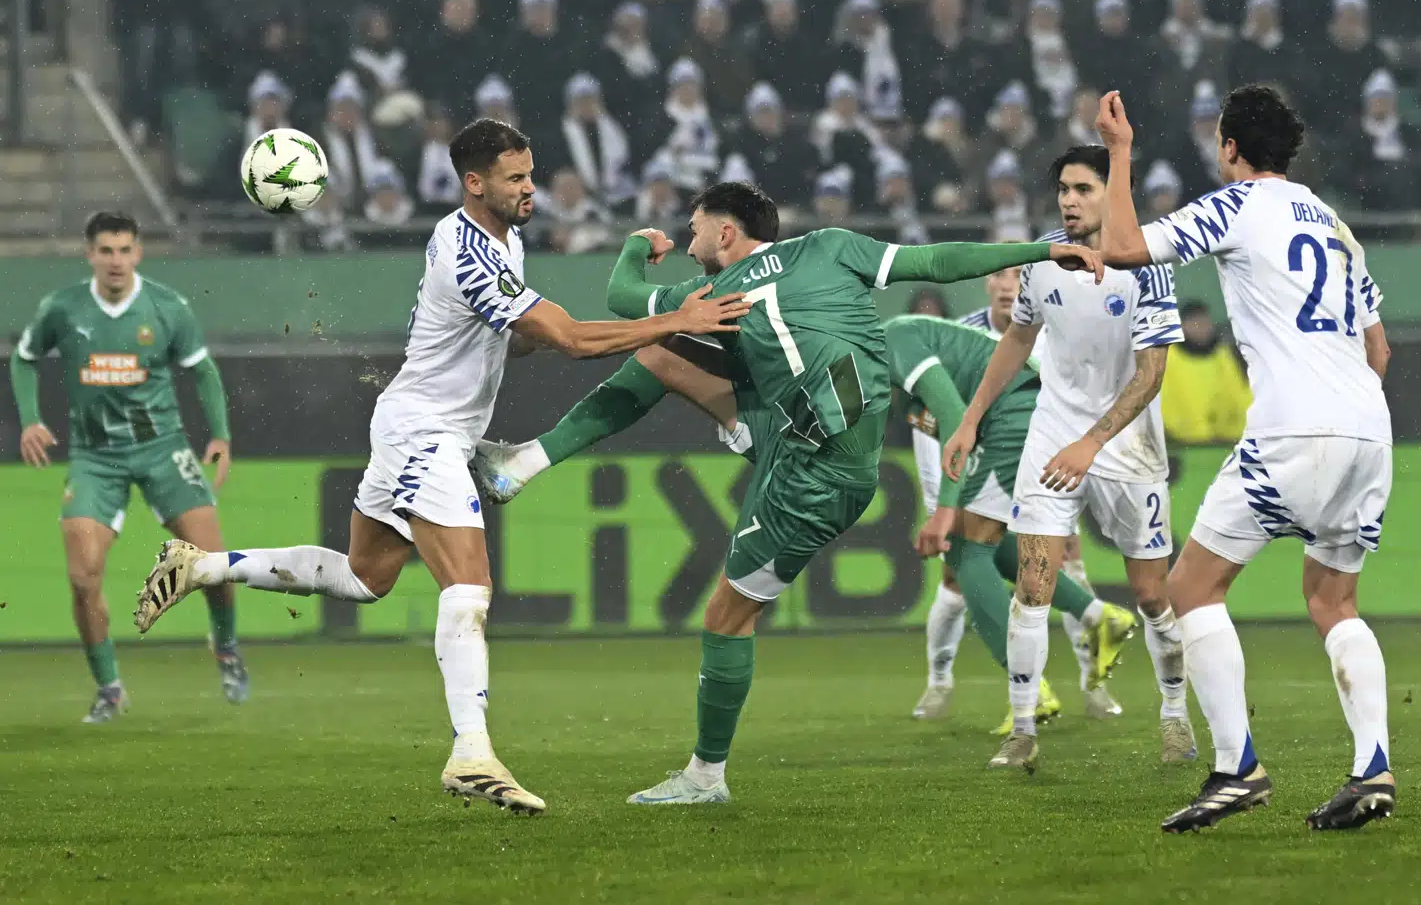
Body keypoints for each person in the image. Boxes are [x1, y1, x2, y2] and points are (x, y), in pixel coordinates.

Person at [131, 120, 753, 815]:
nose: (531, 188)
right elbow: (573, 340)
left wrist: (546, 328)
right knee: (469, 587)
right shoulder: (468, 253)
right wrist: (673, 320)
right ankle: (472, 752)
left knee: (365, 577)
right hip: (424, 432)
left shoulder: (502, 240)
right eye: (516, 178)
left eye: (531, 173)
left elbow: (524, 339)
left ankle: (201, 566)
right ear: (474, 183)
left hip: (420, 426)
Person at [469, 182, 1105, 803]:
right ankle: (524, 461)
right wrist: (1042, 249)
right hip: (800, 436)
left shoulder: (716, 288)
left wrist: (638, 245)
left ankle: (705, 777)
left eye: (694, 232)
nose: (688, 246)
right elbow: (939, 260)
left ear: (725, 232)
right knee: (662, 353)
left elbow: (621, 294)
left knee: (726, 616)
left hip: (812, 475)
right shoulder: (830, 246)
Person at [1095, 84, 1396, 832]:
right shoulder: (1333, 223)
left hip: (1294, 427)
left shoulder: (1237, 206)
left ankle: (1237, 768)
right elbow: (1379, 346)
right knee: (1334, 601)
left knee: (1191, 586)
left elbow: (1123, 248)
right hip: (1369, 427)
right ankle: (1373, 768)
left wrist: (1120, 152)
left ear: (1229, 147)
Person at [945, 145, 1196, 772]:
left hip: (1127, 447)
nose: (1068, 200)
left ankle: (1174, 713)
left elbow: (1151, 375)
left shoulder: (1146, 266)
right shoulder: (1044, 258)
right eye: (1063, 189)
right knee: (1033, 588)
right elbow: (1018, 338)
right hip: (1052, 437)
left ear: (1113, 194)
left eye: (1083, 189)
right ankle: (1023, 728)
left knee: (1151, 595)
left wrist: (1093, 442)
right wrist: (970, 419)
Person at [10, 212, 246, 722]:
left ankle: (226, 647)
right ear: (90, 255)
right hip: (95, 458)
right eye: (105, 251)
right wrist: (30, 420)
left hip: (163, 449)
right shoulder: (63, 308)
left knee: (214, 565)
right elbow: (23, 357)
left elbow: (203, 370)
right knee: (82, 578)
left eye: (124, 250)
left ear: (138, 253)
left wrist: (220, 435)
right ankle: (110, 689)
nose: (115, 261)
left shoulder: (166, 307)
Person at [892, 315, 1132, 731]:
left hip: (1017, 412)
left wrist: (945, 511)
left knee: (965, 547)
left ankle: (1030, 688)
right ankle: (1098, 616)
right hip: (1023, 414)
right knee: (986, 541)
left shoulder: (894, 341)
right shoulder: (891, 381)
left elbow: (954, 417)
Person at [952, 269, 1125, 718]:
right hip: (991, 464)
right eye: (1000, 274)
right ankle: (939, 685)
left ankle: (1086, 684)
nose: (1008, 284)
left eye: (1018, 275)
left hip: (1043, 462)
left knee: (1039, 562)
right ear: (987, 283)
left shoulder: (1053, 332)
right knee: (962, 573)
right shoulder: (963, 335)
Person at [1161, 300, 1252, 445]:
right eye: (1195, 323)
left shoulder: (1222, 354)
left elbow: (1238, 395)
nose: (1202, 328)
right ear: (1182, 327)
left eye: (1205, 323)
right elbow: (1162, 400)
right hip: (1180, 443)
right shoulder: (1168, 357)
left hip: (1224, 440)